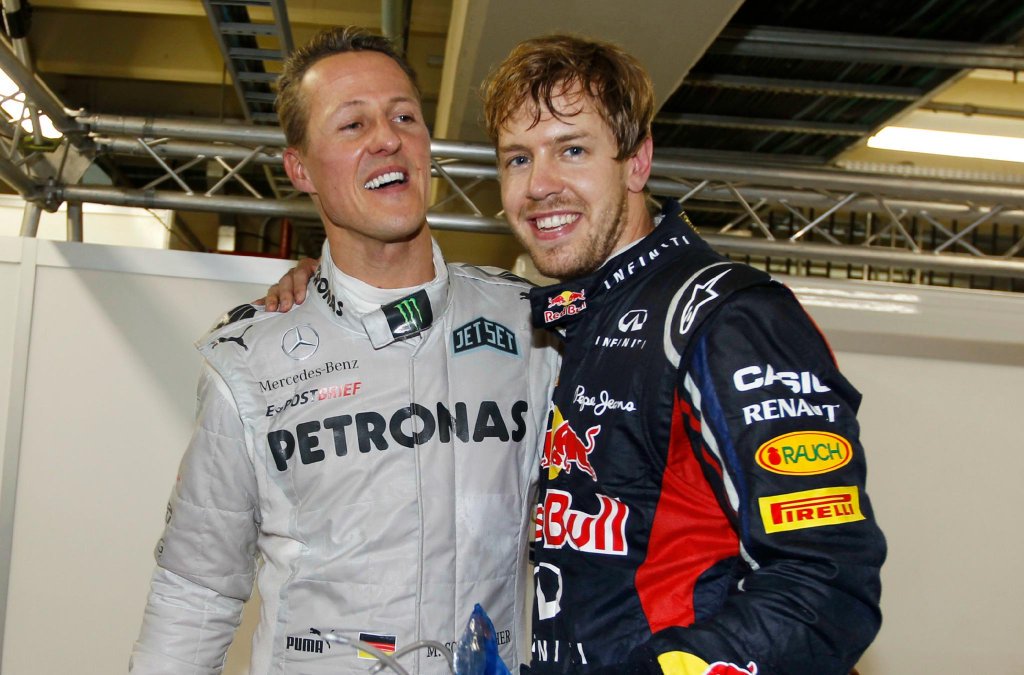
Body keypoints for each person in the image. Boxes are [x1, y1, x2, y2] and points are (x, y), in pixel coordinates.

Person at [265, 33, 886, 675]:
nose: (540, 186)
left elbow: (826, 588)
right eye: (518, 159)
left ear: (637, 162)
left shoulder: (726, 317)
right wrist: (326, 287)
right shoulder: (567, 322)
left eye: (572, 150)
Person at [130, 27, 557, 675]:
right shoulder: (250, 360)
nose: (387, 138)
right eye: (353, 124)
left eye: (404, 116)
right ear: (299, 168)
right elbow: (195, 592)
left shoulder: (532, 329)